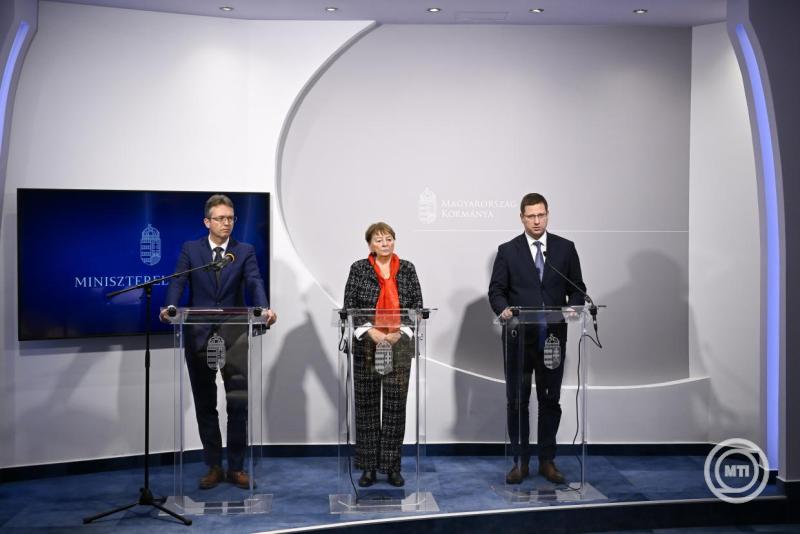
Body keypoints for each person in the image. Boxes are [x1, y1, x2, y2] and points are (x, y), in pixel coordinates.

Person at [160, 194, 277, 490]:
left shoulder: (244, 250)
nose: (227, 223)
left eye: (231, 218)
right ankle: (213, 465)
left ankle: (236, 467)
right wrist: (171, 307)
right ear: (207, 222)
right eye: (221, 218)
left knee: (237, 403)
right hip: (198, 333)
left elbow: (254, 281)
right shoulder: (191, 250)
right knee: (205, 402)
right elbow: (178, 281)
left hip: (234, 334)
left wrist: (263, 308)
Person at [488, 193, 586, 485]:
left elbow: (577, 288)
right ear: (522, 218)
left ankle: (547, 461)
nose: (536, 221)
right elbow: (496, 291)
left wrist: (574, 305)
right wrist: (503, 309)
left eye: (541, 215)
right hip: (518, 338)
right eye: (530, 216)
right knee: (517, 402)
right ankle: (520, 462)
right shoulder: (508, 251)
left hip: (552, 338)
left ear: (547, 215)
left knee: (550, 400)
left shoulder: (565, 248)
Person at [343, 222, 423, 488]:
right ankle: (368, 468)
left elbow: (417, 306)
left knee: (395, 407)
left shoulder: (408, 268)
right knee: (366, 407)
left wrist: (400, 332)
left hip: (399, 347)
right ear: (370, 245)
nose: (385, 243)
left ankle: (391, 467)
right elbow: (350, 306)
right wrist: (372, 332)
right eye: (379, 240)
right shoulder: (359, 269)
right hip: (367, 347)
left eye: (389, 238)